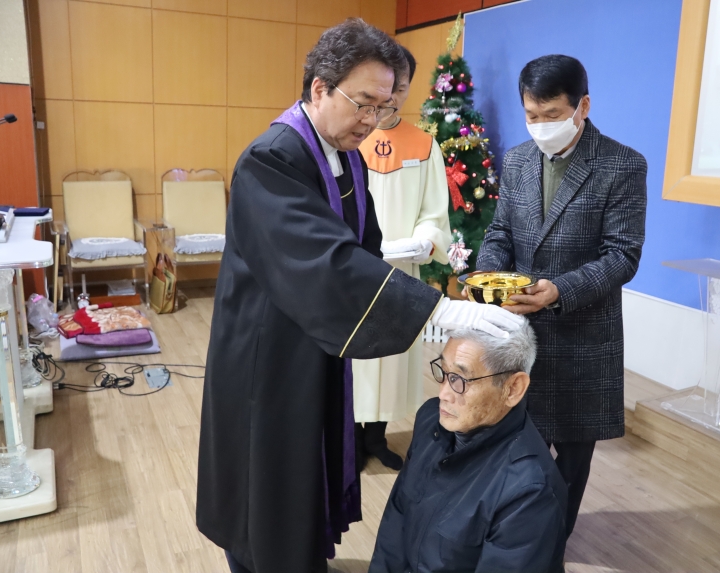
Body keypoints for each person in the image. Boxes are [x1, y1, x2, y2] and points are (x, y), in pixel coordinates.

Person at [196, 19, 524, 573]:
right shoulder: (272, 158)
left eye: (384, 107)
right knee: (266, 485)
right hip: (268, 357)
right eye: (364, 104)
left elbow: (362, 247)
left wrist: (415, 292)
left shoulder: (346, 153)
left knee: (307, 474)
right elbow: (324, 263)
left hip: (312, 344)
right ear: (320, 88)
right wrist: (439, 311)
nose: (373, 120)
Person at [476, 54, 647, 546]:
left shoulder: (622, 164)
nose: (540, 126)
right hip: (518, 335)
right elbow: (501, 233)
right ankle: (511, 540)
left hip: (582, 338)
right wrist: (487, 275)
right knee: (512, 450)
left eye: (551, 115)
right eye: (532, 115)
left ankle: (552, 547)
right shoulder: (517, 160)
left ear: (582, 106)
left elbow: (622, 256)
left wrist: (560, 290)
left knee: (571, 464)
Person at [369, 325, 567, 573]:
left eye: (459, 380)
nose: (443, 394)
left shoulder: (530, 491)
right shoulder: (431, 419)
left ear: (513, 388)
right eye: (444, 372)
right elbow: (396, 520)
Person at [353, 46, 452, 471]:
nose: (391, 97)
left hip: (402, 271)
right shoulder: (349, 138)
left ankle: (375, 437)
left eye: (400, 87)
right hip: (354, 270)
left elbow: (435, 211)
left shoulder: (424, 146)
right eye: (384, 87)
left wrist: (425, 241)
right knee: (354, 356)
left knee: (390, 357)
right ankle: (349, 440)